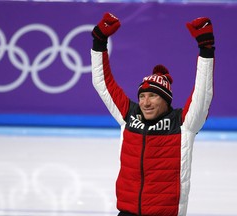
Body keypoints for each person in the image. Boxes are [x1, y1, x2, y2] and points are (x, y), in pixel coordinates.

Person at [91, 12, 215, 216]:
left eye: (153, 96)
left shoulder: (183, 124)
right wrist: (99, 42)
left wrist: (206, 50)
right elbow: (102, 84)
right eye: (142, 96)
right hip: (127, 211)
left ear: (166, 100)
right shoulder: (129, 115)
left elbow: (203, 95)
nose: (145, 103)